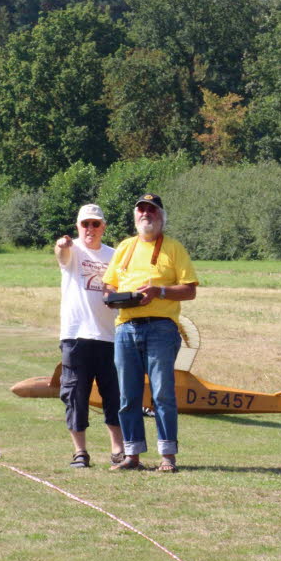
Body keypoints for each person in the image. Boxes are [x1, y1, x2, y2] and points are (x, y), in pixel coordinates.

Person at [103, 193, 198, 473]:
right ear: (135, 217)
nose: (146, 214)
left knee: (162, 393)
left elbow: (190, 289)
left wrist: (160, 291)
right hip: (125, 327)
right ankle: (132, 455)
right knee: (128, 395)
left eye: (152, 210)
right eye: (141, 210)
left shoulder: (174, 248)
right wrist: (118, 298)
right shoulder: (124, 248)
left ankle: (167, 455)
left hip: (161, 327)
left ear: (162, 217)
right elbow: (109, 286)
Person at [54, 204, 124, 468]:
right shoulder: (72, 251)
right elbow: (60, 253)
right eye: (85, 224)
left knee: (113, 395)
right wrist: (62, 244)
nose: (90, 229)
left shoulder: (114, 255)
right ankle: (80, 452)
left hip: (109, 337)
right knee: (75, 394)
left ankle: (118, 449)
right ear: (77, 227)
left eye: (95, 224)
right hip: (75, 336)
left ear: (103, 227)